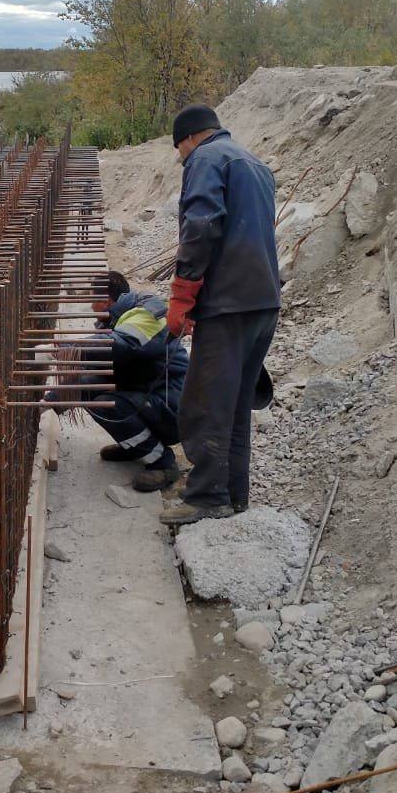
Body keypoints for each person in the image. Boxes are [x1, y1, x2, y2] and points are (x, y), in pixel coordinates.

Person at [159, 103, 280, 528]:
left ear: (189, 138)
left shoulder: (205, 159)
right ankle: (233, 493)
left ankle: (208, 496)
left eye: (180, 151)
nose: (182, 159)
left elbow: (202, 227)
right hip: (263, 301)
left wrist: (182, 297)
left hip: (229, 304)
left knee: (206, 402)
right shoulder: (254, 162)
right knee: (235, 403)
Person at [46, 271, 189, 492]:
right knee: (92, 387)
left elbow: (117, 345)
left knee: (106, 404)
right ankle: (135, 445)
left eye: (92, 300)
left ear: (105, 300)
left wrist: (67, 350)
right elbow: (94, 372)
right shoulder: (120, 315)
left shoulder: (147, 315)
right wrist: (49, 403)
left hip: (174, 406)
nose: (92, 309)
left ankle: (163, 462)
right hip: (151, 390)